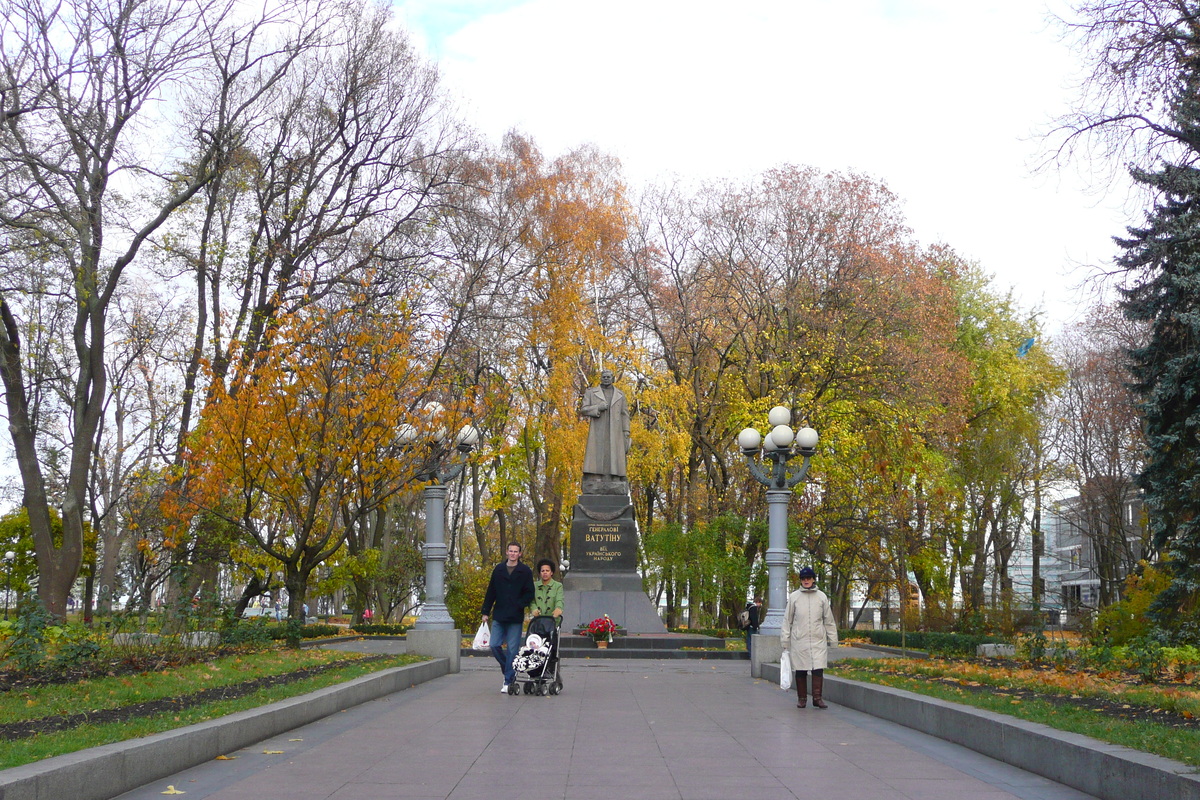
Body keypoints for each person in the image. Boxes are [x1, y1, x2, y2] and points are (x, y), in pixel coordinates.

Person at [781, 566, 838, 709]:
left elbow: (828, 620)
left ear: (813, 579)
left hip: (818, 639)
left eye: (808, 578)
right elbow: (787, 620)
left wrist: (833, 639)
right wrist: (785, 639)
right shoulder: (794, 597)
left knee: (818, 668)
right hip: (800, 639)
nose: (806, 581)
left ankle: (817, 698)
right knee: (800, 668)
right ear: (800, 580)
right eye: (803, 578)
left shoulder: (822, 597)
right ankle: (802, 698)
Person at [481, 541, 535, 694]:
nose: (512, 554)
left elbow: (529, 592)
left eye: (515, 551)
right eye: (510, 551)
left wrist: (520, 604)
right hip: (499, 614)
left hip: (515, 616)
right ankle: (509, 669)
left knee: (512, 649)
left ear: (520, 554)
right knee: (494, 645)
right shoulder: (498, 569)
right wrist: (485, 611)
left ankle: (508, 680)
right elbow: (491, 591)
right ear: (506, 552)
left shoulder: (525, 571)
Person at [580, 369, 631, 489]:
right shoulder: (591, 392)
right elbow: (584, 409)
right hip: (598, 430)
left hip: (616, 431)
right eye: (604, 377)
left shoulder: (620, 394)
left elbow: (624, 414)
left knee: (615, 454)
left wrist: (626, 431)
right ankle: (595, 477)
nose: (606, 378)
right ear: (601, 378)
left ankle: (615, 477)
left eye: (609, 377)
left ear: (613, 378)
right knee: (597, 453)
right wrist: (598, 407)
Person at [530, 559, 564, 626]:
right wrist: (534, 609)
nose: (545, 572)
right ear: (540, 573)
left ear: (551, 572)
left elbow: (559, 599)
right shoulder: (534, 586)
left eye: (547, 571)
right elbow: (531, 600)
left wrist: (558, 608)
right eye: (542, 571)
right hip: (538, 621)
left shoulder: (558, 586)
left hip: (553, 621)